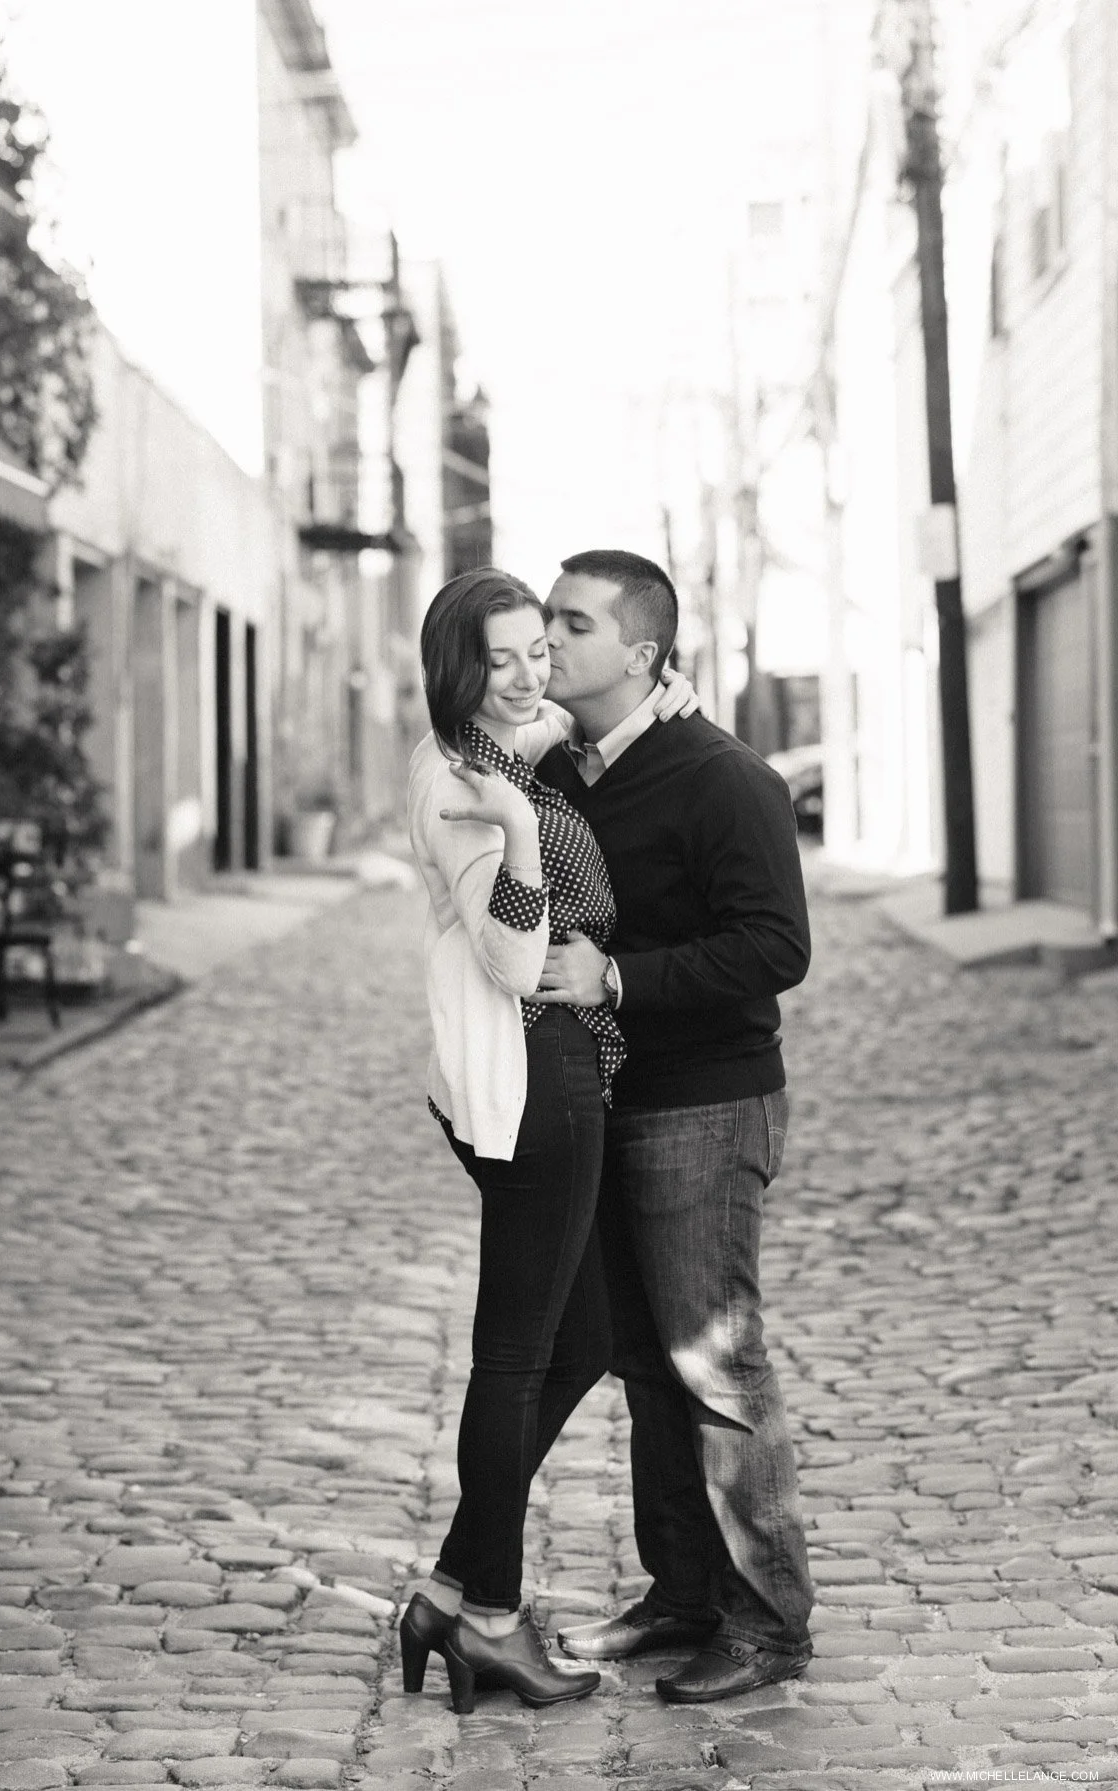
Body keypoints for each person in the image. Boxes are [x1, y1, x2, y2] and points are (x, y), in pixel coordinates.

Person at [400, 566, 697, 1714]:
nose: (529, 675)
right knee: (520, 1352)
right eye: (503, 658)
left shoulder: (501, 747)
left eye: (540, 650)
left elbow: (580, 711)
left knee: (584, 1337)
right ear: (457, 673)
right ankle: (490, 1618)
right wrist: (524, 828)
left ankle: (453, 1584)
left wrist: (653, 703)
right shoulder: (468, 788)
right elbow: (516, 961)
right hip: (534, 1075)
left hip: (552, 1068)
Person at [529, 548, 815, 1704]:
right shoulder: (573, 772)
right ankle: (684, 1597)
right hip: (614, 1102)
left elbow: (775, 948)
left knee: (717, 1368)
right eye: (547, 618)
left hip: (707, 1102)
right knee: (648, 1366)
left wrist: (619, 979)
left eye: (573, 623)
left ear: (641, 653)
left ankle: (767, 1624)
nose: (549, 640)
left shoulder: (723, 776)